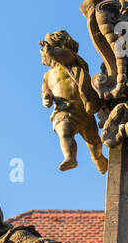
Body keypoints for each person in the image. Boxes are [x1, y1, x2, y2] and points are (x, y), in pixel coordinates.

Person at [40, 30, 107, 174]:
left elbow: (63, 56)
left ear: (61, 45)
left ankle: (99, 158)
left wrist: (51, 51)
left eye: (49, 48)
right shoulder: (47, 75)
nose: (43, 53)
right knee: (64, 133)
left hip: (82, 108)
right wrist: (46, 97)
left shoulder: (70, 59)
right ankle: (70, 158)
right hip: (63, 111)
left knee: (94, 143)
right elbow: (45, 91)